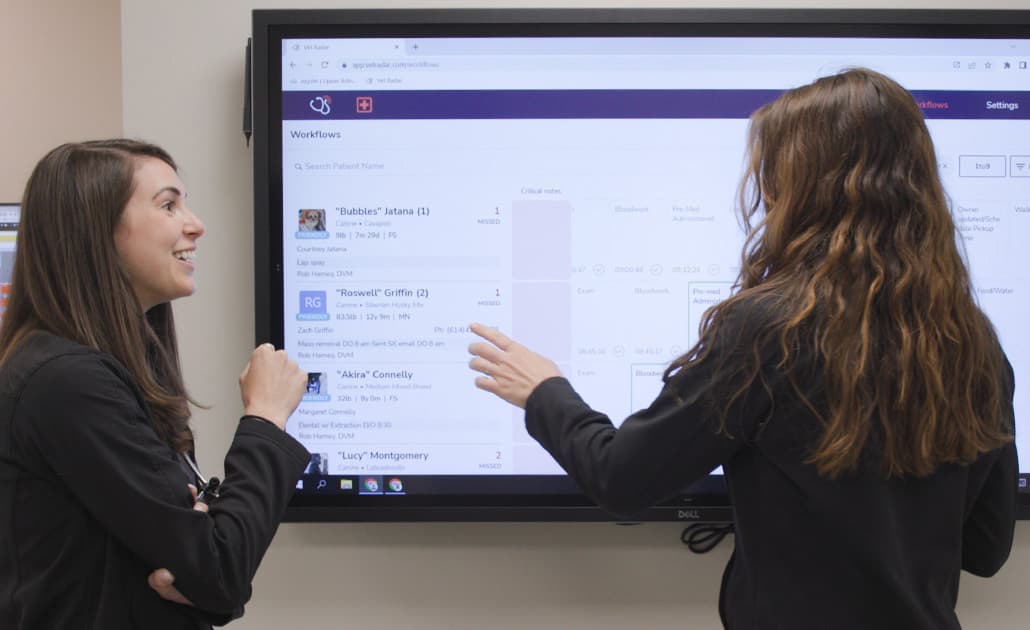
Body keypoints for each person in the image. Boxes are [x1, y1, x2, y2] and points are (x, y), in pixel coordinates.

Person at [467, 68, 1017, 629]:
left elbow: (623, 480)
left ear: (804, 188)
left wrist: (544, 392)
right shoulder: (973, 340)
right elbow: (985, 549)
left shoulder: (773, 327)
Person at [0, 139, 311, 629]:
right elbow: (220, 569)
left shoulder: (99, 372)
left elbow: (208, 574)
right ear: (95, 231)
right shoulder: (67, 383)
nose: (196, 224)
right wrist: (266, 418)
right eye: (168, 205)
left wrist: (207, 570)